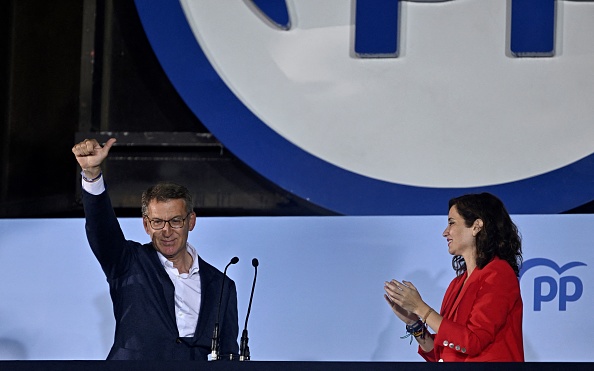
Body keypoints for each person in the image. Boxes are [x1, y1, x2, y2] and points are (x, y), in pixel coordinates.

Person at [72, 138, 239, 360]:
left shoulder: (221, 285)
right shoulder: (128, 263)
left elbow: (228, 354)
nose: (166, 231)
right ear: (146, 225)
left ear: (191, 221)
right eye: (158, 222)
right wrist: (92, 174)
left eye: (175, 221)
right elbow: (101, 229)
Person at [384, 193, 524, 362]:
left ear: (476, 226)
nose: (445, 232)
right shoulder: (456, 284)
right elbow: (440, 355)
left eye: (451, 223)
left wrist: (420, 308)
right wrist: (413, 322)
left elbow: (473, 342)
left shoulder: (499, 273)